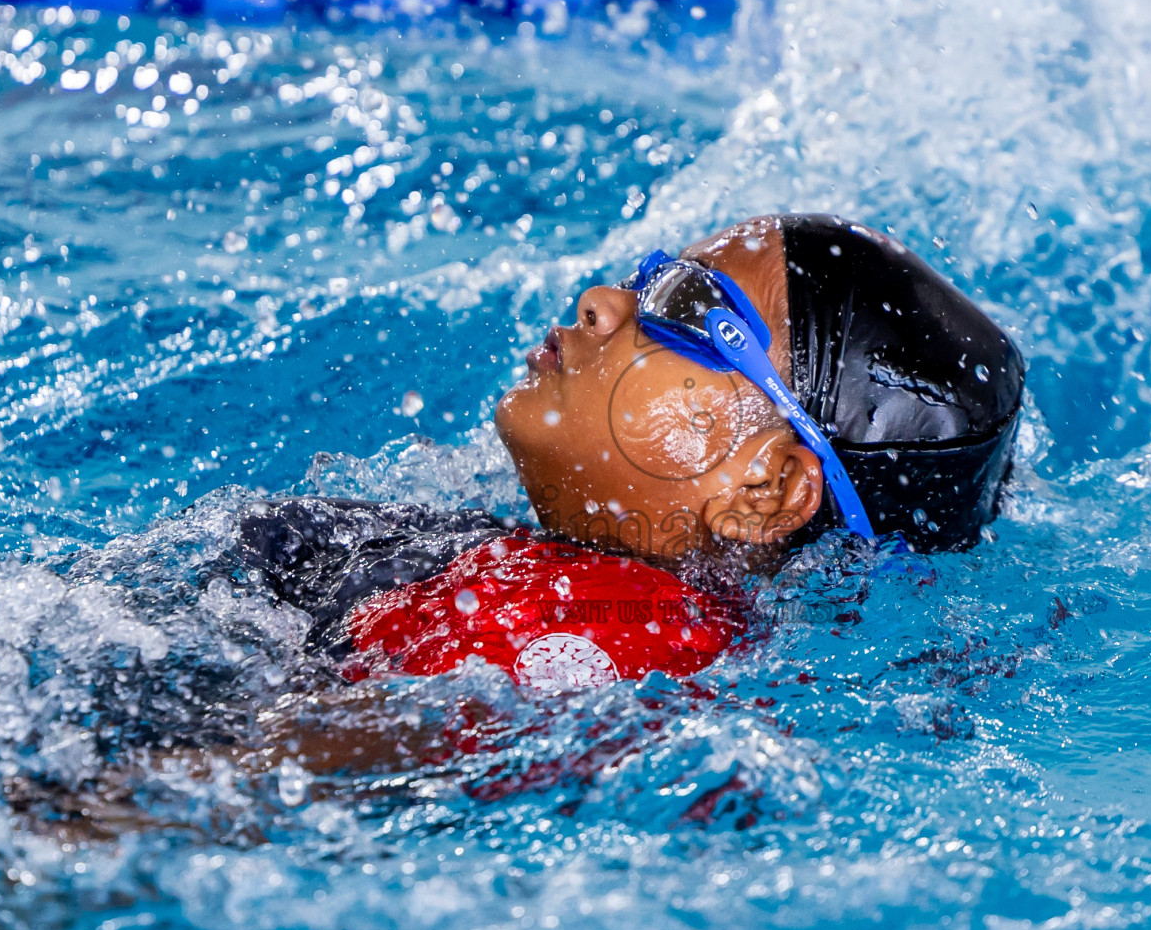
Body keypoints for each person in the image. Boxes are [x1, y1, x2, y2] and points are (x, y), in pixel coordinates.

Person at [236, 213, 1025, 698]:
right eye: (650, 280)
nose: (603, 302)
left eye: (686, 311)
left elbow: (229, 785)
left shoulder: (606, 642)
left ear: (769, 487)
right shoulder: (564, 583)